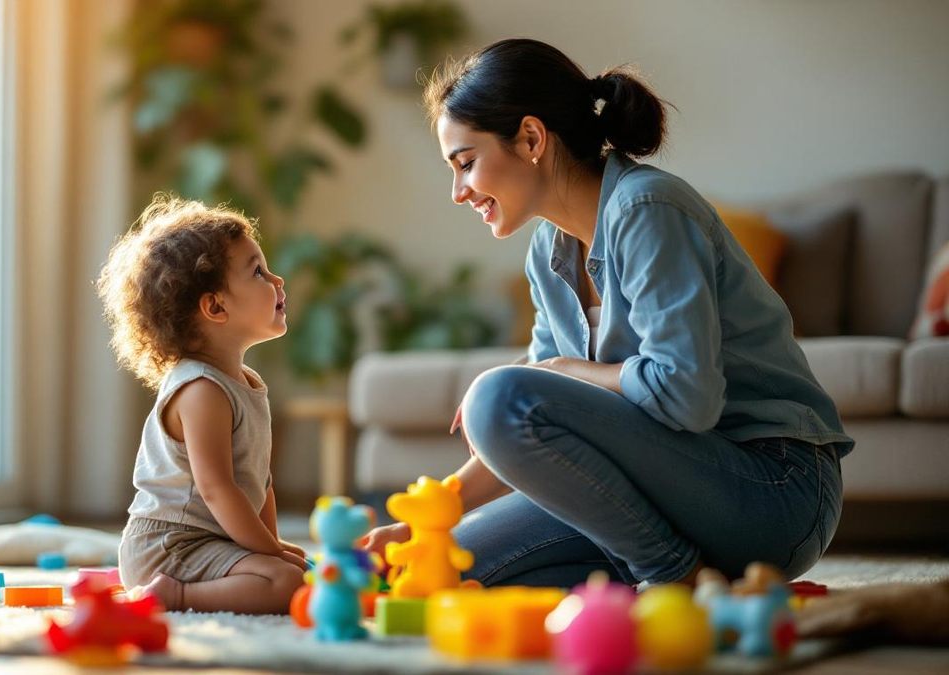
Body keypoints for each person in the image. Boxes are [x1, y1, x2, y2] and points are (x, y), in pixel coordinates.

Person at [360, 38, 852, 589]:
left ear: (530, 139)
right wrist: (423, 523)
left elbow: (685, 397)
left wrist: (562, 372)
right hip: (661, 496)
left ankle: (672, 577)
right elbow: (533, 427)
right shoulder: (547, 254)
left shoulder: (648, 208)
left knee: (496, 396)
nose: (458, 191)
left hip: (771, 489)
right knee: (449, 564)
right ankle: (678, 573)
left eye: (466, 163)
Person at [98, 195, 305, 613]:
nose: (278, 281)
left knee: (291, 570)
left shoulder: (245, 384)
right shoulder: (201, 391)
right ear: (215, 306)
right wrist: (270, 556)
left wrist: (273, 546)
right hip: (168, 547)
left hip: (209, 539)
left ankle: (237, 577)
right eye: (259, 272)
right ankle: (174, 595)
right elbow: (217, 489)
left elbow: (258, 484)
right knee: (286, 581)